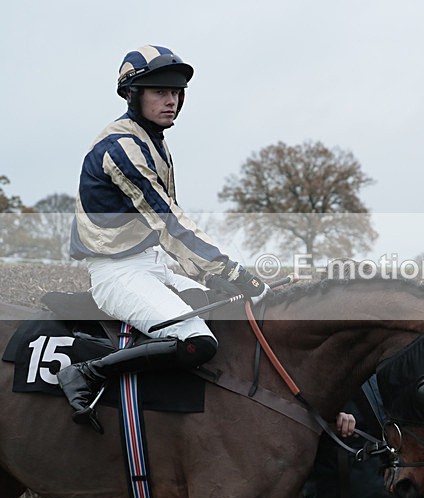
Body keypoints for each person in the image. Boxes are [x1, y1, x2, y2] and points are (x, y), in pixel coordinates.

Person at [57, 45, 267, 426]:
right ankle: (87, 373)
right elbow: (170, 222)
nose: (171, 101)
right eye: (160, 92)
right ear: (132, 95)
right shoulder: (121, 148)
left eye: (176, 93)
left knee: (231, 312)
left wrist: (211, 276)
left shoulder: (154, 140)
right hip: (119, 275)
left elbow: (169, 236)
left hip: (154, 265)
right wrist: (232, 270)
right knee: (198, 342)